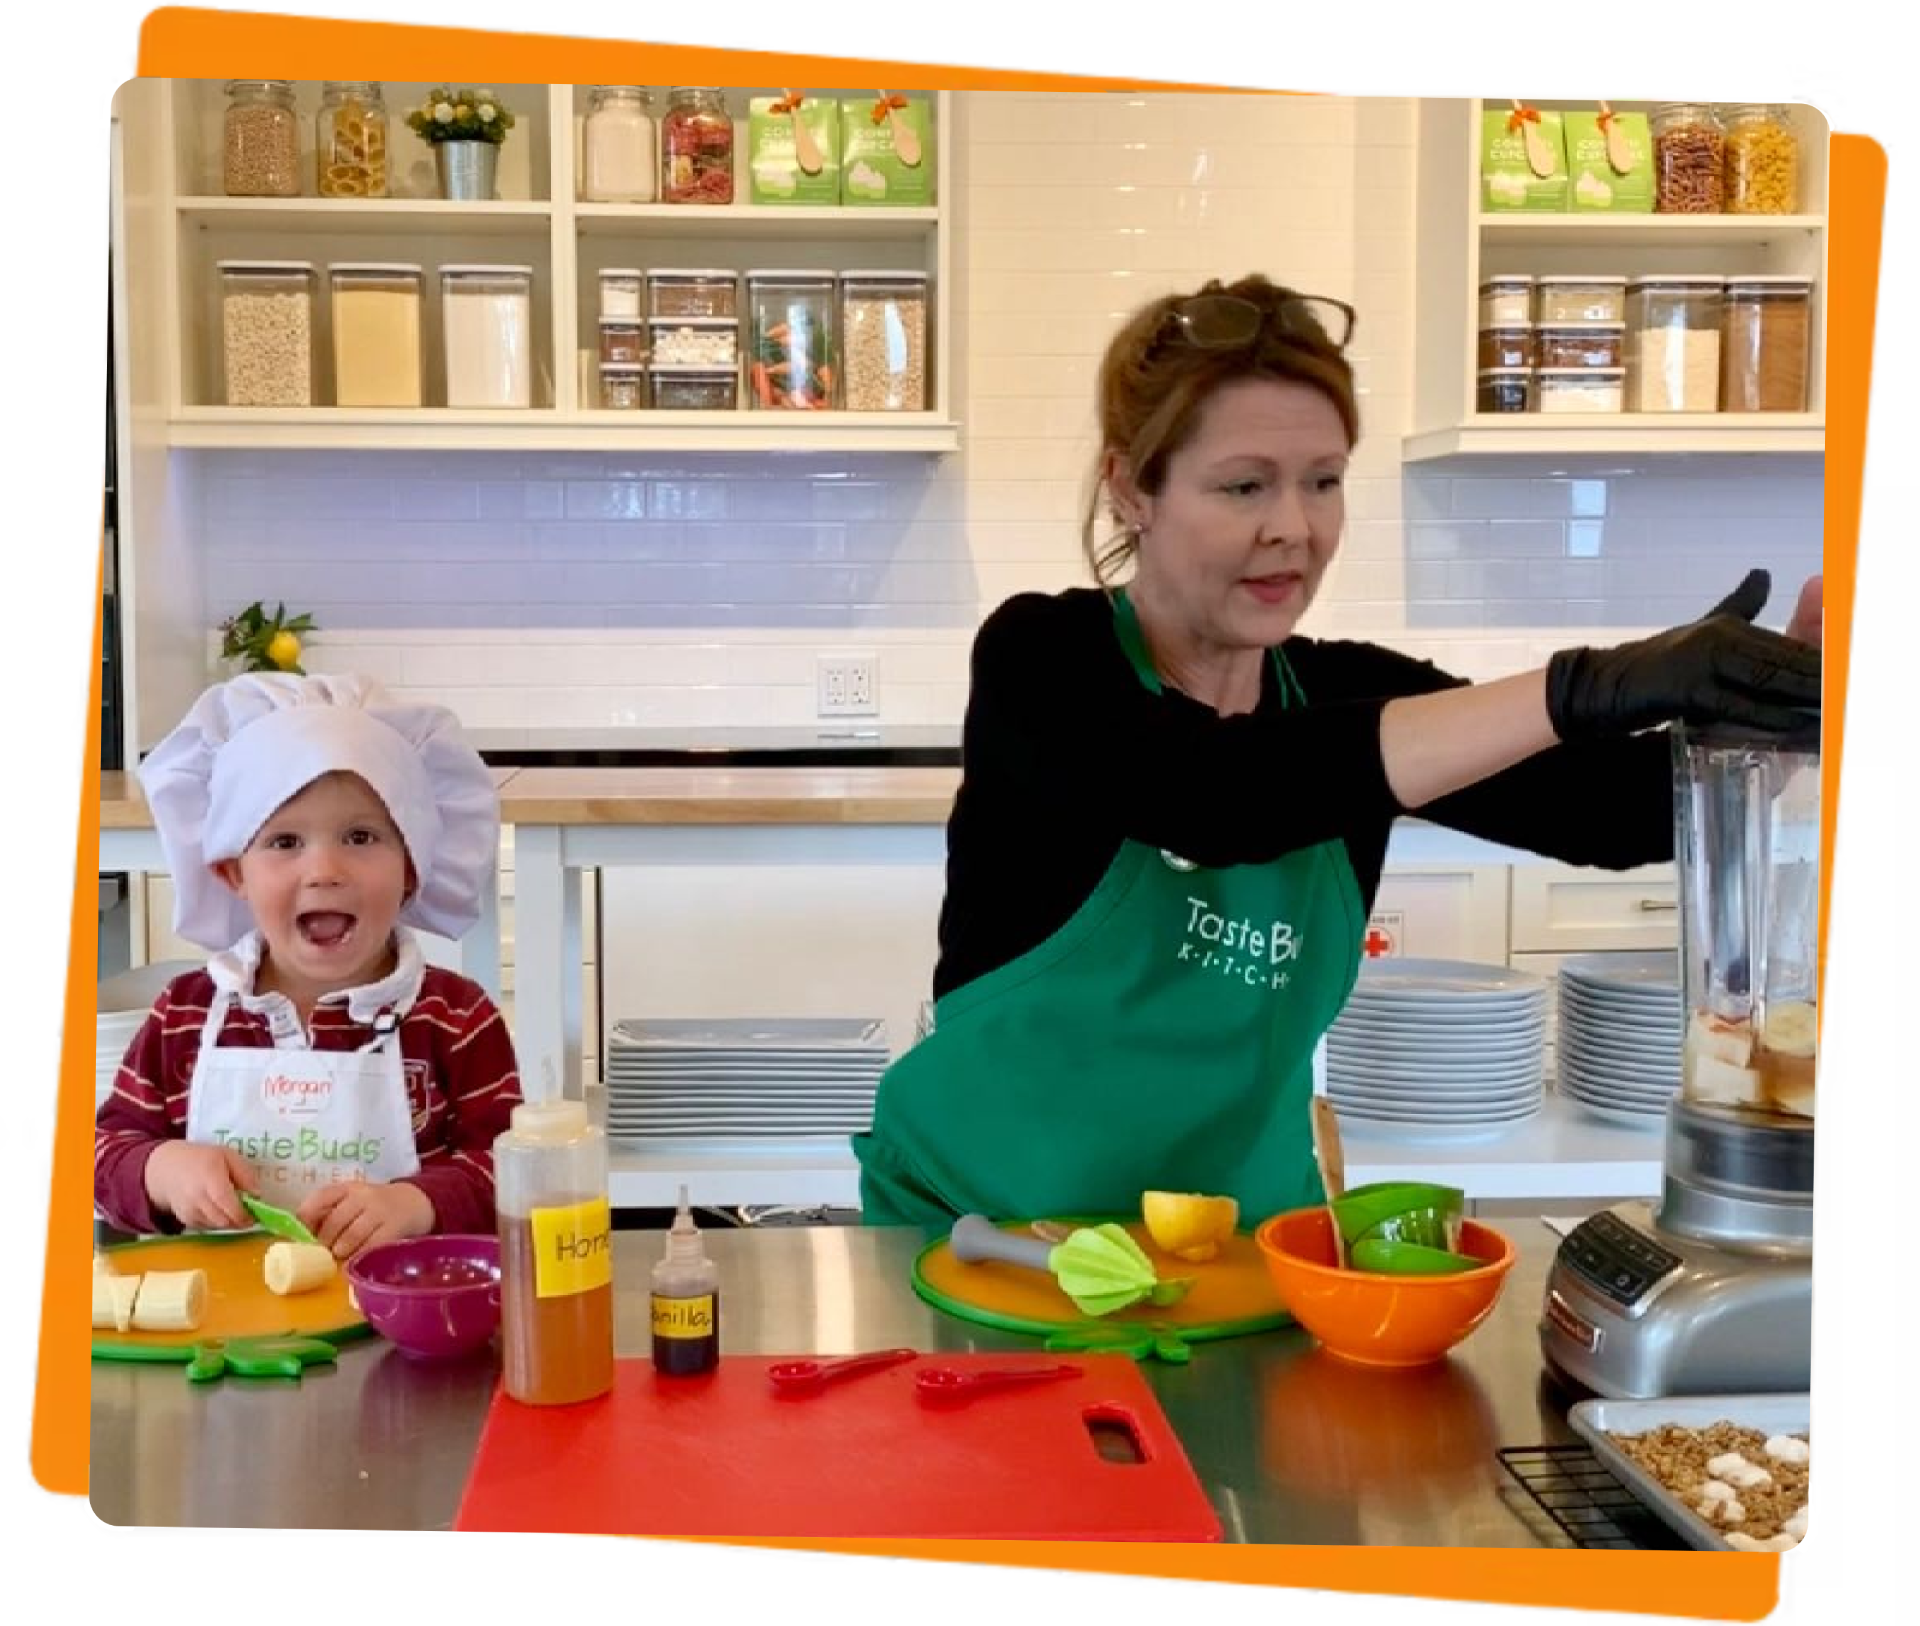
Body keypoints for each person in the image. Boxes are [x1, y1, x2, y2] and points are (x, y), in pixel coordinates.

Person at [852, 273, 1823, 1233]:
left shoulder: (1344, 693)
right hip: (982, 1247)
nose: (1295, 529)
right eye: (1244, 486)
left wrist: (1768, 721)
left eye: (1323, 482)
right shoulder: (1044, 659)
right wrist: (1582, 686)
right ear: (1129, 488)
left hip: (1239, 1253)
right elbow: (1214, 793)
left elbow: (1612, 815)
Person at [93, 672, 523, 1260]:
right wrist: (159, 1170)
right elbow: (99, 1154)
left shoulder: (455, 1018)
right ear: (232, 873)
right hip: (214, 1329)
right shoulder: (183, 1017)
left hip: (404, 1327)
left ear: (412, 870)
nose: (324, 870)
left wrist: (415, 1204)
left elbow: (514, 1169)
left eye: (361, 836)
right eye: (285, 842)